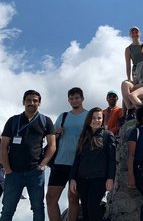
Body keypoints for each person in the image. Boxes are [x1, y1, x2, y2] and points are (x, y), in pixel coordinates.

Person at [0, 90, 56, 221]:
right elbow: (3, 146)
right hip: (13, 173)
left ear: (39, 103)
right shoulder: (13, 121)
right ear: (24, 102)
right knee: (7, 209)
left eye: (35, 101)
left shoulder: (45, 121)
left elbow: (52, 145)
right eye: (29, 100)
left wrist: (43, 165)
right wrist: (7, 170)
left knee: (38, 208)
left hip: (35, 173)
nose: (32, 103)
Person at [46, 87, 88, 221]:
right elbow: (50, 137)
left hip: (78, 164)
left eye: (77, 98)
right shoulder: (63, 116)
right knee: (50, 198)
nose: (74, 100)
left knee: (73, 198)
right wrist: (56, 134)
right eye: (71, 98)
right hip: (60, 162)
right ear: (68, 100)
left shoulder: (89, 116)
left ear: (82, 99)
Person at [69, 107, 116, 221]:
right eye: (93, 118)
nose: (96, 120)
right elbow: (77, 159)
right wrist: (72, 178)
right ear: (89, 120)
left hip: (99, 180)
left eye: (99, 118)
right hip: (82, 179)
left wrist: (110, 178)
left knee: (93, 208)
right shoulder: (83, 135)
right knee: (85, 210)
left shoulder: (107, 135)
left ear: (102, 119)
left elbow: (112, 159)